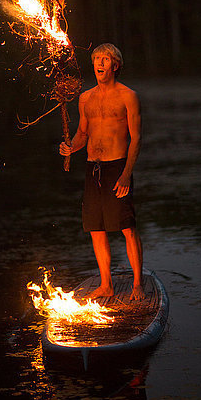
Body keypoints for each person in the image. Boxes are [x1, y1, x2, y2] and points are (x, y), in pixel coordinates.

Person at [59, 43, 145, 301]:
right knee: (96, 228)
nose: (99, 63)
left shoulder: (128, 96)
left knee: (127, 227)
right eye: (96, 58)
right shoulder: (85, 98)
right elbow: (83, 134)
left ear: (115, 65)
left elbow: (136, 138)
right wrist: (70, 148)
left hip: (117, 166)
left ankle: (138, 284)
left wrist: (126, 174)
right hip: (92, 168)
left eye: (105, 59)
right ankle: (106, 284)